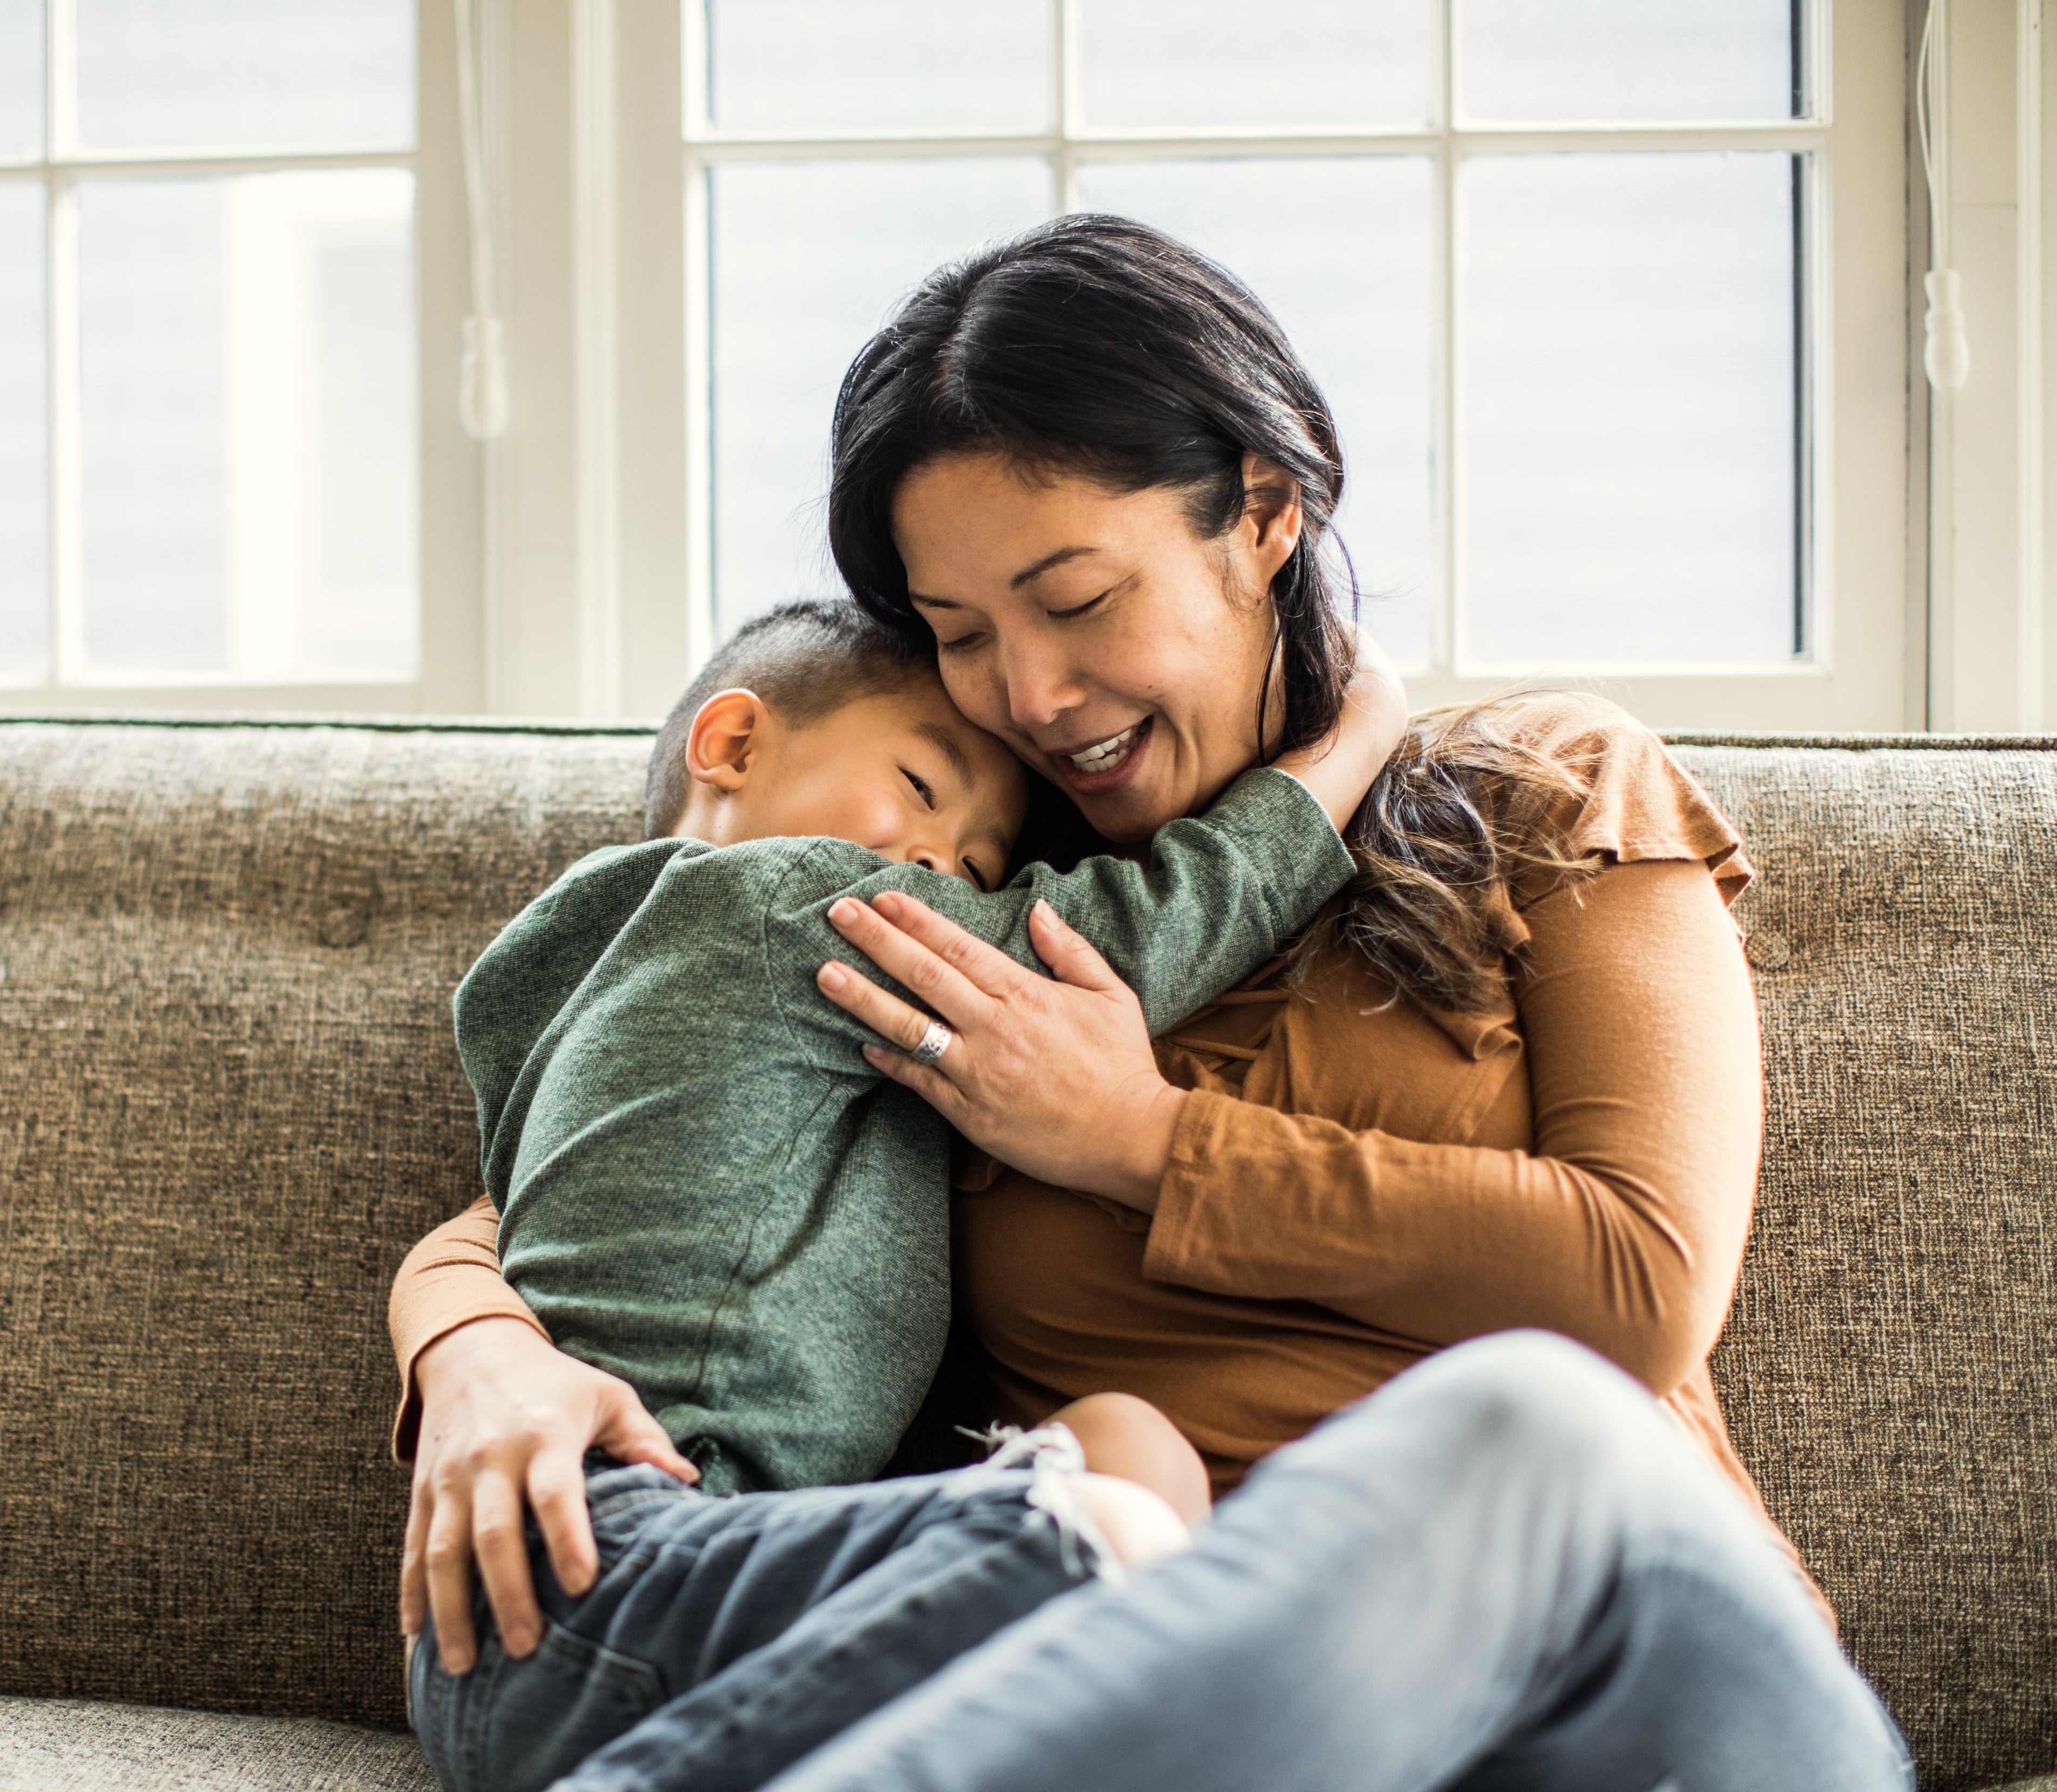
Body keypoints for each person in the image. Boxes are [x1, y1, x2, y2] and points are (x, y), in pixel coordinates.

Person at [392, 213, 1907, 1784]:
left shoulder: (1544, 785)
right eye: (964, 636)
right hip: (1190, 1732)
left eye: (1076, 597)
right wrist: (478, 1353)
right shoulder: (985, 905)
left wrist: (1137, 1137)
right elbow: (601, 1151)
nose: (1030, 696)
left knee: (1531, 1418)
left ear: (1264, 510)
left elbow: (1641, 1283)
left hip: (1631, 1690)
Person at [458, 594, 1394, 1501]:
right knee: (1128, 1462)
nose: (943, 864)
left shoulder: (553, 973)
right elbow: (1122, 940)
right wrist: (1348, 745)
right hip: (674, 1503)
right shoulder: (787, 900)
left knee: (1120, 1462)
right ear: (733, 744)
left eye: (981, 868)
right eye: (920, 787)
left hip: (606, 1519)